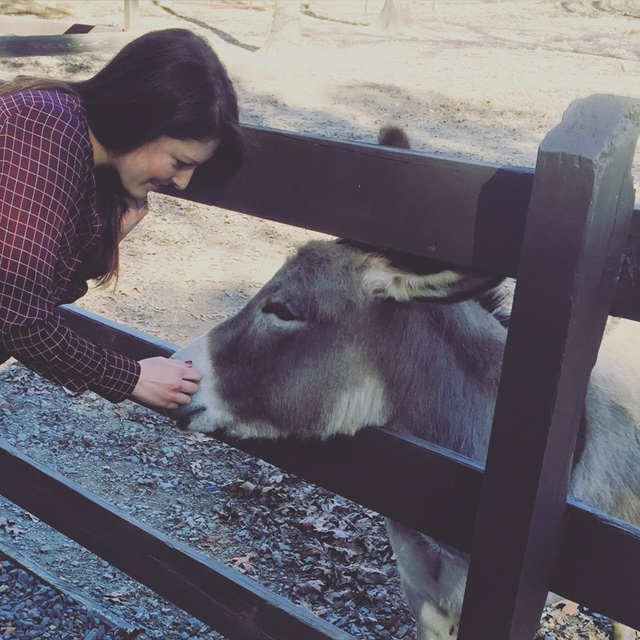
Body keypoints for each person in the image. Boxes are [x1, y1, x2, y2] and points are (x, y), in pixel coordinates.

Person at [0, 28, 244, 410]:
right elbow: (20, 320)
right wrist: (132, 378)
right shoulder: (45, 128)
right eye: (179, 161)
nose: (182, 182)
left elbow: (37, 298)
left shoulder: (81, 154)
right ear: (142, 121)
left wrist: (109, 238)